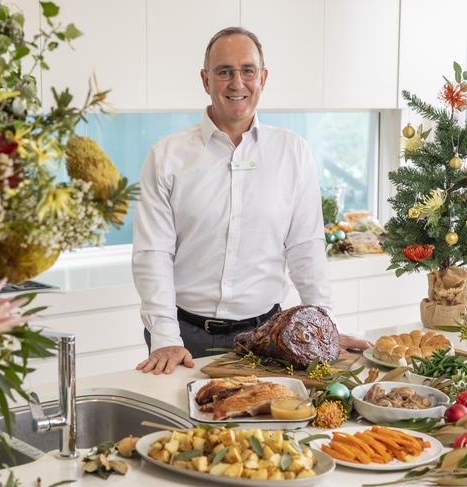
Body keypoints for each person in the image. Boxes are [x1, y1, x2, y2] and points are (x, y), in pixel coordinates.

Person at [132, 27, 371, 375]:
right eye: (224, 71)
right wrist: (165, 336)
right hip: (184, 340)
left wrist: (325, 326)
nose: (236, 82)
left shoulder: (292, 151)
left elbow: (306, 248)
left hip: (272, 337)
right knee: (191, 429)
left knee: (271, 429)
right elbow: (153, 254)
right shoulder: (166, 156)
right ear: (205, 80)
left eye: (247, 70)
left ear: (263, 77)